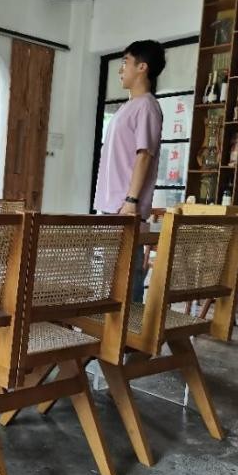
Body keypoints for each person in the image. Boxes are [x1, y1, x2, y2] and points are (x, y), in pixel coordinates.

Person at [94, 39, 166, 302]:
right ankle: (112, 325)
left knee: (126, 275)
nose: (120, 69)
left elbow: (144, 155)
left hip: (125, 206)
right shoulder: (128, 107)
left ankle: (130, 326)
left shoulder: (146, 106)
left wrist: (131, 200)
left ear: (142, 67)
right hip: (113, 205)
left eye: (126, 62)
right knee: (112, 276)